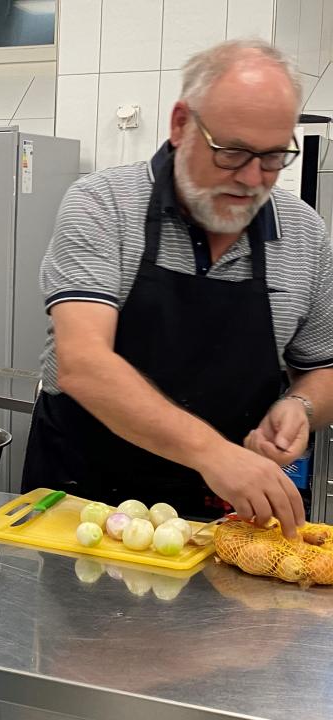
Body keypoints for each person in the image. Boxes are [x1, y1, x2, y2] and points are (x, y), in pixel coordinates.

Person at [22, 39, 333, 537]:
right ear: (181, 124)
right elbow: (81, 363)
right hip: (84, 509)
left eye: (274, 157)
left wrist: (299, 406)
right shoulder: (103, 206)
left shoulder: (303, 234)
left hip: (228, 517)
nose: (253, 178)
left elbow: (322, 368)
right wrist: (213, 452)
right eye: (231, 152)